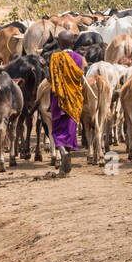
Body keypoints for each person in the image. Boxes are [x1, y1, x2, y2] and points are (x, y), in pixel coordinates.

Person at [47, 30, 85, 176]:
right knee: (69, 132)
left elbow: (52, 80)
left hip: (59, 99)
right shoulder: (79, 58)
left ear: (58, 43)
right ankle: (65, 166)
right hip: (74, 101)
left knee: (57, 131)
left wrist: (45, 65)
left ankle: (62, 153)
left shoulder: (55, 57)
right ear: (73, 42)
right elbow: (81, 79)